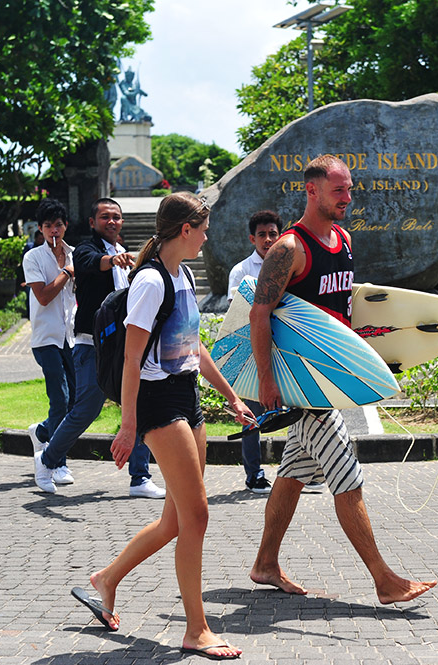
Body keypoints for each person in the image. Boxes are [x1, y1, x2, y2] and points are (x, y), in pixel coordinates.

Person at [248, 154, 438, 603]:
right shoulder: (289, 249)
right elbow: (260, 313)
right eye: (340, 191)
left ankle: (264, 563)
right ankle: (384, 580)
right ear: (311, 190)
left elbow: (342, 309)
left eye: (350, 190)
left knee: (294, 472)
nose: (348, 198)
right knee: (346, 476)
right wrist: (267, 379)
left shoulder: (344, 239)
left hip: (333, 379)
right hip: (307, 385)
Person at [75, 192, 253, 660]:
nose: (208, 235)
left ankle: (105, 580)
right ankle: (196, 629)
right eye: (204, 227)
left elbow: (195, 348)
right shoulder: (151, 282)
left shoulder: (184, 274)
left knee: (175, 521)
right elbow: (133, 359)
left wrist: (231, 397)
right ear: (186, 229)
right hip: (157, 404)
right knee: (197, 517)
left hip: (187, 397)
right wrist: (128, 424)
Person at [33, 198, 165, 498]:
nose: (112, 222)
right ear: (92, 222)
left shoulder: (125, 252)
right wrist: (111, 262)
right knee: (85, 410)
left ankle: (139, 478)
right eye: (105, 217)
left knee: (139, 404)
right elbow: (91, 264)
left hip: (124, 347)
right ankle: (48, 459)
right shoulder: (84, 250)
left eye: (117, 217)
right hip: (91, 345)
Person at [227, 210, 282, 494]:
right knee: (252, 415)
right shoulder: (241, 271)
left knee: (299, 409)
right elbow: (238, 311)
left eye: (273, 234)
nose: (268, 239)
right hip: (251, 352)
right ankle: (254, 474)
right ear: (252, 238)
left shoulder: (290, 266)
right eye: (262, 234)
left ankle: (305, 471)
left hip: (285, 350)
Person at [23, 199, 76, 486]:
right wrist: (66, 273)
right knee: (61, 399)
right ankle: (55, 463)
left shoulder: (75, 253)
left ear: (65, 225)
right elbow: (43, 296)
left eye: (58, 225)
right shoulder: (33, 258)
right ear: (40, 229)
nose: (54, 231)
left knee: (77, 400)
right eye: (47, 226)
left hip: (72, 337)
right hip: (46, 338)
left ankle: (42, 433)